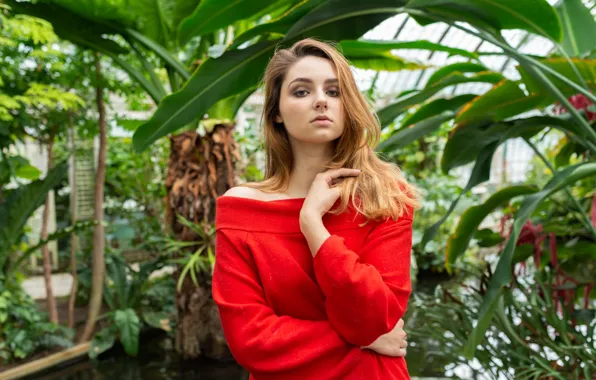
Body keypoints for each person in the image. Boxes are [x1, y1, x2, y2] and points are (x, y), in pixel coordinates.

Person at [212, 38, 422, 380]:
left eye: (334, 91)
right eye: (301, 91)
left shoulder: (386, 199)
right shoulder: (241, 209)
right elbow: (251, 341)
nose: (321, 100)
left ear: (348, 104)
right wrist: (366, 342)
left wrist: (313, 226)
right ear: (276, 112)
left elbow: (374, 318)